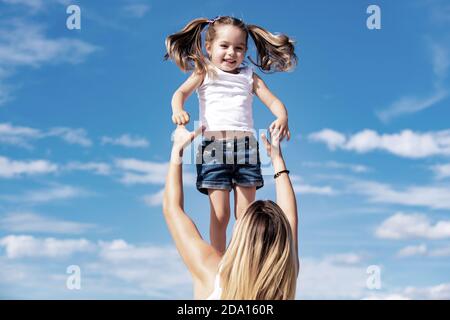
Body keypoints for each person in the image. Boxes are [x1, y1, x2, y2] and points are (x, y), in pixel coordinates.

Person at [164, 16, 297, 253]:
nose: (231, 53)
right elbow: (180, 93)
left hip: (246, 147)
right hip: (213, 147)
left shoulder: (248, 76)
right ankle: (219, 260)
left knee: (245, 216)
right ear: (209, 47)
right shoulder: (205, 71)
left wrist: (282, 116)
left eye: (239, 48)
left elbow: (274, 101)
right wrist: (178, 109)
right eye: (224, 46)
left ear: (245, 51)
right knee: (221, 213)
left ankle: (239, 260)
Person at [163, 125, 299, 299]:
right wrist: (277, 160)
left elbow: (172, 208)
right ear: (282, 245)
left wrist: (177, 152)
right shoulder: (283, 284)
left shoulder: (212, 274)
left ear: (241, 232)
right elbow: (289, 217)